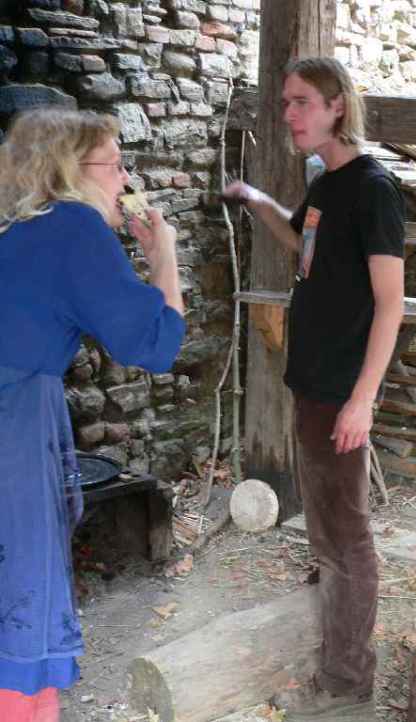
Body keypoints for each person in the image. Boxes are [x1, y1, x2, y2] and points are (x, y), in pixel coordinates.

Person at [225, 57, 405, 719]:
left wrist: (362, 399)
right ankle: (333, 640)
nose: (289, 114)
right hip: (313, 385)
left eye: (302, 101)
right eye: (285, 103)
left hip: (339, 391)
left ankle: (347, 679)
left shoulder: (373, 190)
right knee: (328, 529)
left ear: (337, 107)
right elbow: (299, 241)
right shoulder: (326, 184)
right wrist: (255, 200)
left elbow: (391, 303)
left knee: (347, 537)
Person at [0, 108, 185, 721]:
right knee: (21, 587)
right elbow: (154, 343)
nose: (125, 180)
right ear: (71, 170)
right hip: (11, 426)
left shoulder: (19, 229)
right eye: (116, 165)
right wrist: (165, 256)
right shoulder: (74, 227)